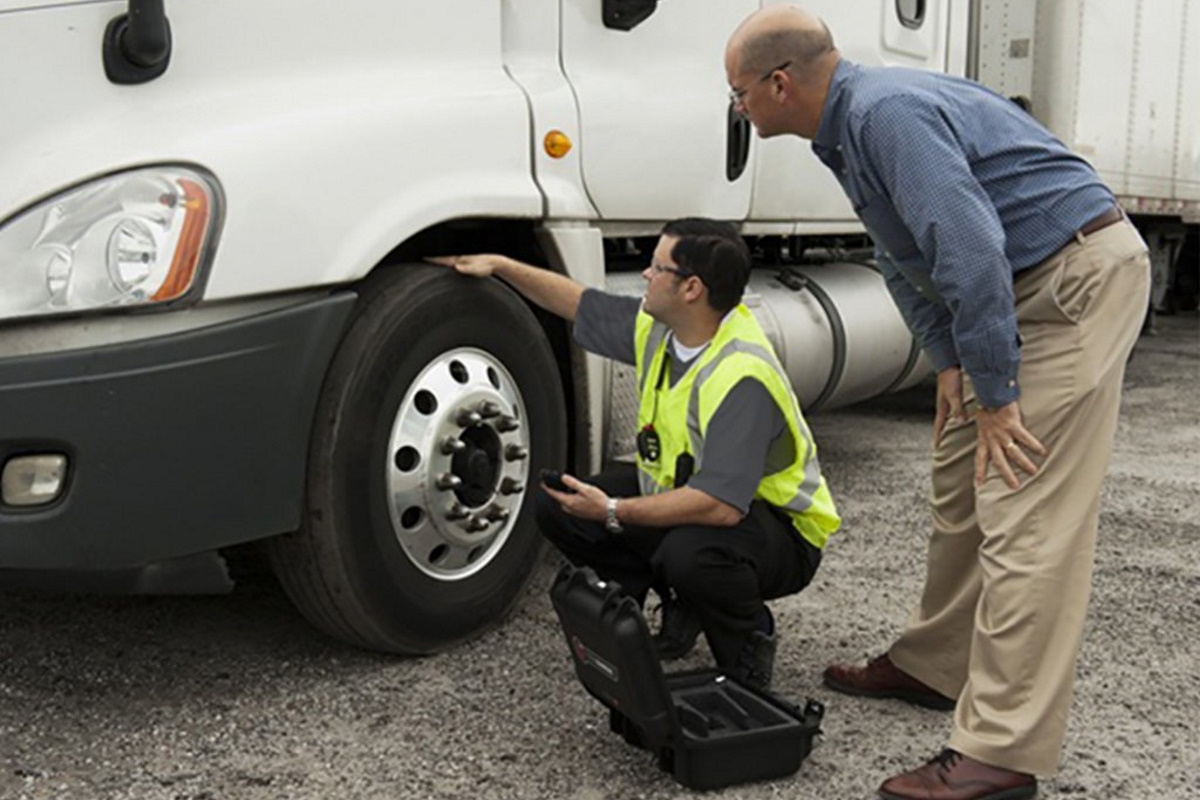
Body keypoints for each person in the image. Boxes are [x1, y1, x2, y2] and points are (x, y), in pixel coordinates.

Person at [724, 6, 1150, 800]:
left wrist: (998, 392)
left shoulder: (885, 115)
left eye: (739, 94)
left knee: (1025, 505)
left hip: (1071, 283)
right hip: (1011, 287)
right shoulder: (846, 129)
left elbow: (970, 244)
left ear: (779, 83)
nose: (739, 109)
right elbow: (900, 256)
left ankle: (1001, 753)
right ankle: (936, 664)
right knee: (960, 478)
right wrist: (952, 360)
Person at [432, 218, 840, 690]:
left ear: (691, 288)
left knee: (690, 555)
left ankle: (747, 651)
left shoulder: (740, 375)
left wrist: (612, 510)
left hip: (778, 530)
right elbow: (579, 303)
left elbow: (721, 505)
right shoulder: (665, 331)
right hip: (695, 499)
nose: (645, 275)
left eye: (656, 267)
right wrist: (501, 266)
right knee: (559, 502)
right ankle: (661, 609)